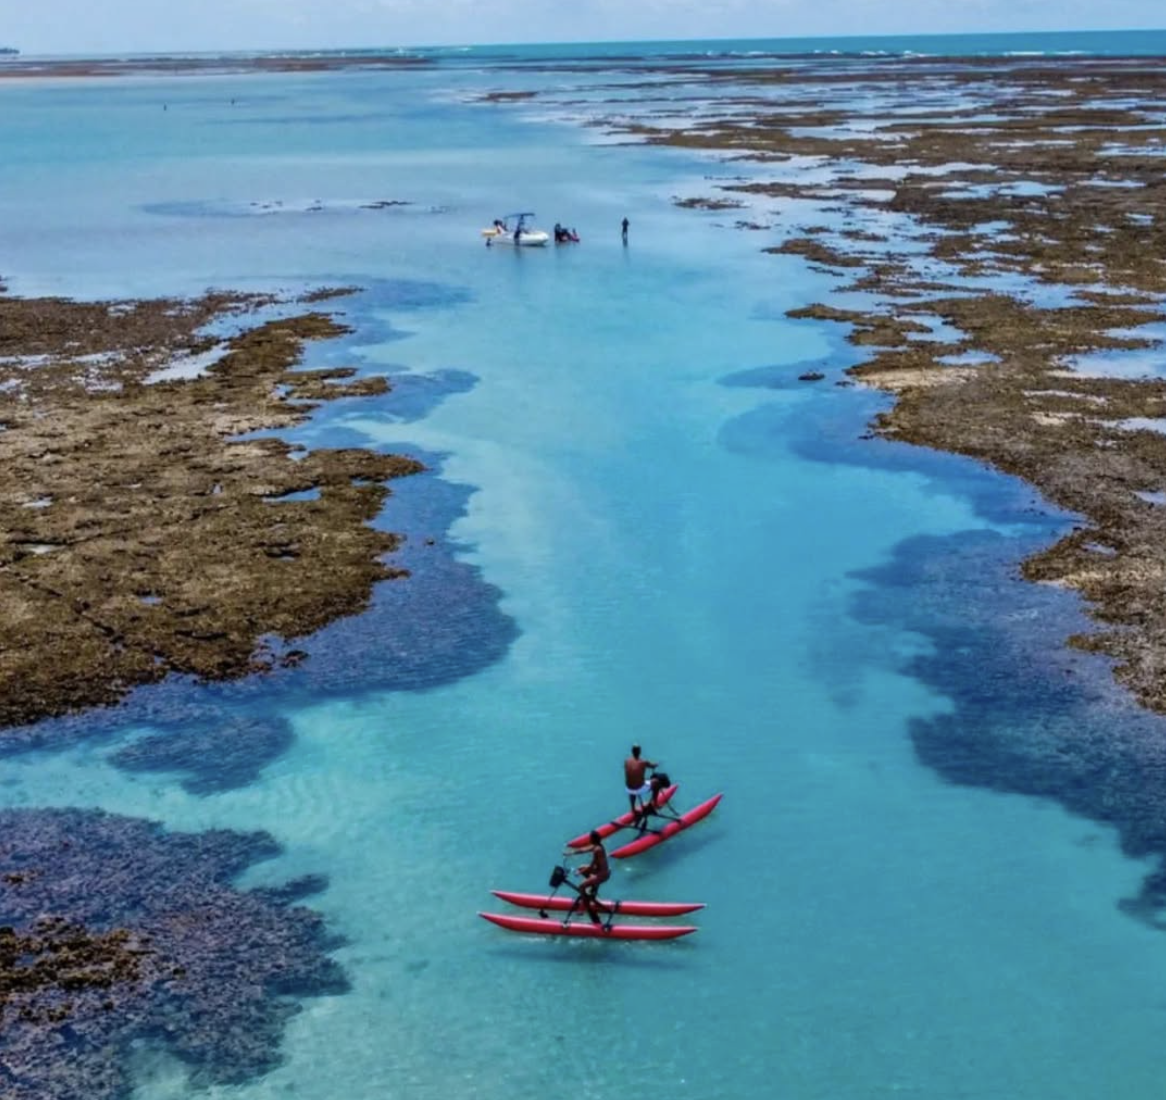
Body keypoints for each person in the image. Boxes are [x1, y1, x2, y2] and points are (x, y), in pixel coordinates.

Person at [571, 830, 611, 924]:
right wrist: (571, 853)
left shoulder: (597, 850)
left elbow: (591, 866)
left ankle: (586, 906)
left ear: (593, 839)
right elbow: (584, 850)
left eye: (590, 838)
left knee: (581, 886)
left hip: (602, 875)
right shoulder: (597, 846)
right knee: (581, 867)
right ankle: (592, 889)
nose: (589, 839)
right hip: (600, 871)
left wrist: (578, 873)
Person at [624, 743, 658, 816]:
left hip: (629, 788)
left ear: (632, 751)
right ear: (640, 752)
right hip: (638, 788)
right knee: (656, 782)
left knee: (632, 785)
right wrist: (656, 764)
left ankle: (633, 809)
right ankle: (654, 804)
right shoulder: (643, 762)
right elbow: (652, 766)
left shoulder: (626, 761)